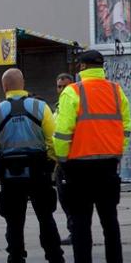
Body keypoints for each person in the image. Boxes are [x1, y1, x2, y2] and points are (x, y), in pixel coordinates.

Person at [55, 50, 131, 263]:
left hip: (79, 166)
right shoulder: (116, 90)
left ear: (81, 66)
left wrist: (62, 159)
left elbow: (62, 132)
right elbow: (126, 127)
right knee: (110, 221)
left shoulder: (73, 91)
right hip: (109, 165)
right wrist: (116, 152)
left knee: (80, 223)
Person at [0, 69, 65, 263]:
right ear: (23, 84)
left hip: (11, 175)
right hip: (39, 172)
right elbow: (53, 140)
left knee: (14, 224)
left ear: (4, 87)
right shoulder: (41, 107)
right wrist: (51, 164)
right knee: (46, 219)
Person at [54, 72, 76, 245]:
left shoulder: (73, 103)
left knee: (71, 199)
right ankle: (74, 229)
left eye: (65, 86)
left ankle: (76, 231)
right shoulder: (59, 106)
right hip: (60, 161)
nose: (61, 89)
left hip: (70, 160)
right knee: (64, 199)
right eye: (59, 86)